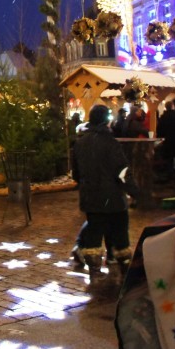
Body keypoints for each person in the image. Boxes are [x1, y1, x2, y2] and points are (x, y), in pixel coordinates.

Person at [72, 105, 138, 278]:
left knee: (94, 232)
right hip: (113, 198)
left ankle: (94, 271)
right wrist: (135, 192)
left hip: (90, 197)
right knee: (120, 233)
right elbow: (122, 172)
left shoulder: (80, 143)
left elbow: (76, 174)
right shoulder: (111, 143)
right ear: (105, 120)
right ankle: (124, 268)